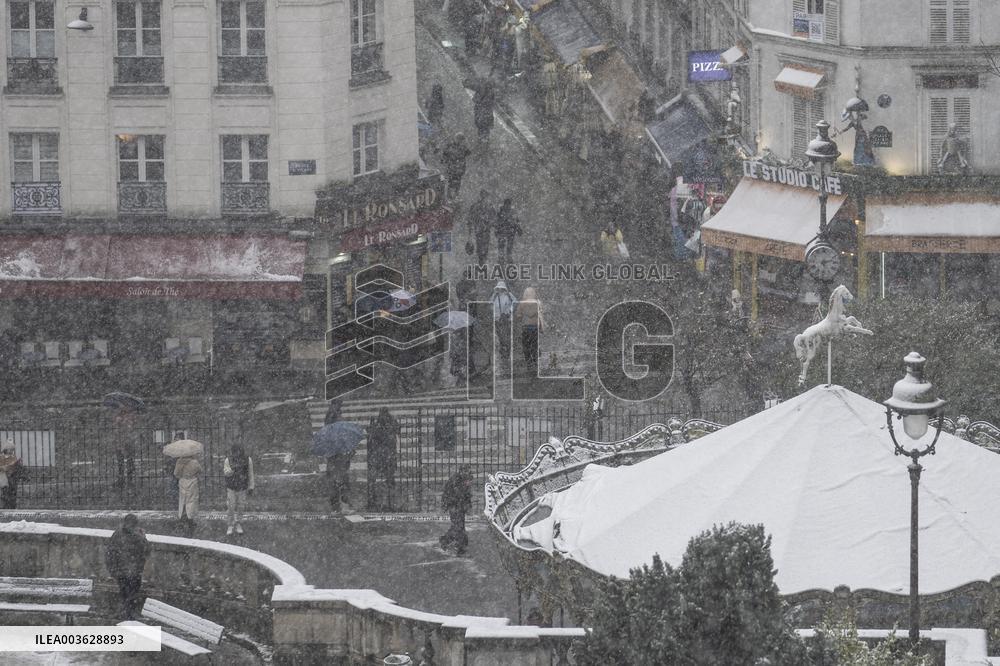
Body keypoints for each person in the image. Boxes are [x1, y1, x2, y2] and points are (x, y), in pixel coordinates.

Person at [105, 514, 151, 621]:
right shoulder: (134, 534)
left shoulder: (118, 534)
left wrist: (112, 569)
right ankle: (128, 615)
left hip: (127, 571)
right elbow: (147, 551)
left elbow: (110, 553)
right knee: (130, 594)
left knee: (126, 593)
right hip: (131, 572)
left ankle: (126, 614)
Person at [366, 408, 399, 511]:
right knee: (389, 480)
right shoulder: (391, 428)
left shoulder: (377, 428)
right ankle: (390, 503)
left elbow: (371, 443)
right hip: (387, 457)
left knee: (374, 480)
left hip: (378, 457)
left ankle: (374, 501)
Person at [439, 466, 472, 555]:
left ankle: (448, 541)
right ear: (460, 471)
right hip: (454, 505)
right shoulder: (455, 480)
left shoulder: (464, 479)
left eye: (468, 472)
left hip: (459, 506)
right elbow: (458, 494)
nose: (467, 474)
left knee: (458, 526)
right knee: (458, 526)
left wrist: (468, 505)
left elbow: (467, 495)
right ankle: (460, 546)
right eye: (465, 472)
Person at [223, 444, 254, 535]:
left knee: (241, 506)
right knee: (231, 506)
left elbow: (250, 473)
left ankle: (239, 523)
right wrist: (233, 469)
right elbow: (226, 472)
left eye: (239, 452)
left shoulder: (248, 460)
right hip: (231, 487)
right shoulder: (228, 460)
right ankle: (230, 524)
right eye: (235, 452)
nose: (237, 454)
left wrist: (251, 486)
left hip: (242, 487)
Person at [515, 287, 544, 370]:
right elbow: (541, 316)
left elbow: (518, 316)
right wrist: (542, 327)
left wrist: (521, 316)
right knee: (534, 345)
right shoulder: (538, 303)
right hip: (534, 327)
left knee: (526, 346)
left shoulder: (522, 303)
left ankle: (529, 362)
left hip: (526, 327)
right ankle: (534, 361)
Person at [491, 280, 517, 361]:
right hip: (497, 319)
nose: (500, 290)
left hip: (507, 319)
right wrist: (495, 314)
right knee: (500, 337)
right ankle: (503, 353)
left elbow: (515, 302)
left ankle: (507, 353)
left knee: (506, 336)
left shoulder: (509, 295)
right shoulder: (494, 296)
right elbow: (490, 304)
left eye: (501, 288)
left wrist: (509, 311)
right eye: (499, 288)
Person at [174, 455, 202, 530]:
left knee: (182, 500)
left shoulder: (179, 462)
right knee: (191, 501)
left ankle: (181, 517)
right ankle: (190, 518)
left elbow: (176, 473)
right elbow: (200, 470)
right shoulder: (195, 462)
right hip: (192, 482)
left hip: (183, 481)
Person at [467, 190, 495, 265]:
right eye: (482, 195)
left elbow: (494, 218)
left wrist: (489, 223)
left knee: (484, 248)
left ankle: (483, 261)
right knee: (480, 247)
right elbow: (470, 219)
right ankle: (481, 262)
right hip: (479, 230)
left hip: (485, 230)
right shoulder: (475, 206)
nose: (483, 197)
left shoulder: (490, 206)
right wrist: (470, 232)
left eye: (485, 195)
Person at [442, 133, 472, 202]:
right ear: (455, 139)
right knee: (451, 182)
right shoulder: (450, 146)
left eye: (461, 140)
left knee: (457, 183)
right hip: (452, 168)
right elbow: (444, 154)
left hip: (459, 169)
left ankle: (455, 196)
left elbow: (469, 152)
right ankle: (449, 197)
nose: (459, 141)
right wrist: (446, 161)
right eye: (459, 139)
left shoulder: (463, 147)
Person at [494, 198, 523, 265]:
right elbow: (496, 222)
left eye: (508, 204)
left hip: (510, 232)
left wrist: (519, 229)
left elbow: (517, 221)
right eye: (506, 204)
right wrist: (497, 230)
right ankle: (502, 259)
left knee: (509, 247)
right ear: (504, 205)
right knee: (502, 246)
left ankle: (507, 258)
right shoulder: (500, 212)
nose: (507, 206)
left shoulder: (512, 213)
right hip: (503, 232)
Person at [0, 440, 27, 509]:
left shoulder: (13, 457)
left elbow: (14, 467)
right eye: (10, 449)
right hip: (4, 479)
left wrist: (17, 464)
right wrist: (7, 467)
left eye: (12, 449)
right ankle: (6, 507)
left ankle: (12, 507)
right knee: (5, 494)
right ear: (5, 449)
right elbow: (2, 467)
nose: (11, 451)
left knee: (13, 494)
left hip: (12, 477)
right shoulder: (1, 457)